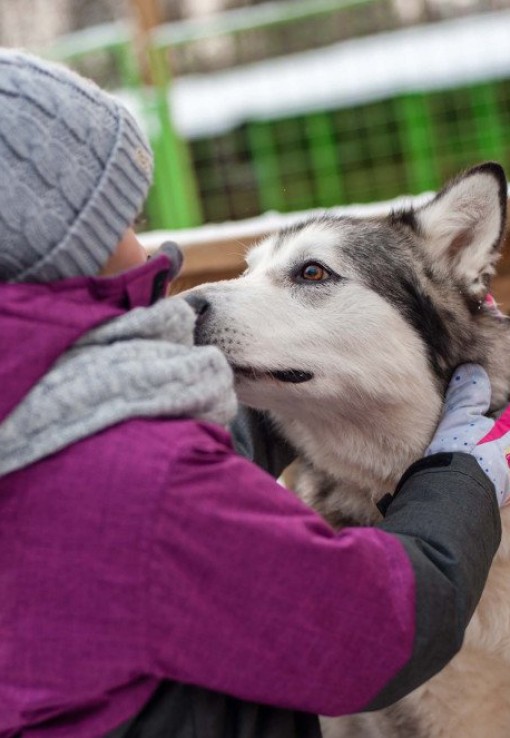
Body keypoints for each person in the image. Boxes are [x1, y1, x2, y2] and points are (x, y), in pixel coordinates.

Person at [0, 49, 508, 738]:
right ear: (63, 243)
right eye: (122, 215)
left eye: (309, 274)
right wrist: (462, 477)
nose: (147, 246)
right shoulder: (140, 481)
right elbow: (370, 631)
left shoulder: (41, 404)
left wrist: (283, 403)